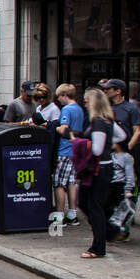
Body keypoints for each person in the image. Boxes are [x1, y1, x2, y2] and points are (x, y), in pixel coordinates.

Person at [79, 87, 120, 259]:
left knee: (94, 207)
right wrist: (110, 144)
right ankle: (110, 231)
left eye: (87, 102)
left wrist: (79, 141)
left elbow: (96, 150)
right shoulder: (108, 121)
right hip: (103, 167)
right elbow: (122, 135)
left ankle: (98, 247)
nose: (85, 105)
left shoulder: (98, 123)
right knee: (86, 203)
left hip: (99, 169)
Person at [53, 84, 83, 227]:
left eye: (59, 97)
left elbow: (64, 129)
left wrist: (54, 126)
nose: (59, 100)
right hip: (75, 150)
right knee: (71, 182)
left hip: (64, 150)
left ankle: (59, 214)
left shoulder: (67, 109)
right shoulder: (79, 109)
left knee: (59, 183)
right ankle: (72, 213)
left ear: (64, 95)